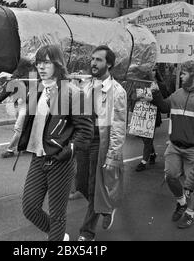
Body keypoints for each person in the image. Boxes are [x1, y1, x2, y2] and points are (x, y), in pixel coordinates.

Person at [17, 45, 93, 241]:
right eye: (39, 63)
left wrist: (66, 152)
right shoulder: (38, 89)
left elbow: (85, 132)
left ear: (58, 64)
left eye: (47, 62)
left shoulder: (73, 93)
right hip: (38, 157)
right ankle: (58, 236)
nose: (41, 67)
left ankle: (57, 238)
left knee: (58, 215)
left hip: (60, 161)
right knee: (30, 208)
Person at [150, 60, 194, 229]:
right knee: (170, 176)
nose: (180, 75)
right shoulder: (178, 94)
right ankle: (181, 202)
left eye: (184, 73)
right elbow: (165, 107)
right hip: (174, 146)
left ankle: (190, 212)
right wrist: (155, 93)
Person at [75, 45, 127, 241]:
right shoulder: (86, 85)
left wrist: (113, 154)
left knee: (93, 186)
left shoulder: (117, 91)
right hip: (84, 139)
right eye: (92, 59)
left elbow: (119, 124)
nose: (93, 63)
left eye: (98, 60)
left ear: (109, 64)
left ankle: (87, 232)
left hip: (100, 141)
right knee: (79, 183)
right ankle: (105, 208)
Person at [134, 67, 169, 172]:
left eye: (154, 70)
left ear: (156, 72)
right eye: (150, 69)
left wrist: (154, 97)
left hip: (153, 115)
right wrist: (138, 97)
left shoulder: (160, 85)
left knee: (148, 137)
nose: (151, 72)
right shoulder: (140, 83)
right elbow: (132, 97)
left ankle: (144, 161)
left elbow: (166, 100)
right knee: (144, 137)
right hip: (141, 114)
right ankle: (152, 153)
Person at [0, 58, 34, 158]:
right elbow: (9, 88)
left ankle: (10, 149)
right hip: (20, 104)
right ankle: (26, 146)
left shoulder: (31, 76)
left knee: (18, 128)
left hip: (27, 105)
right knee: (23, 127)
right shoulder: (19, 75)